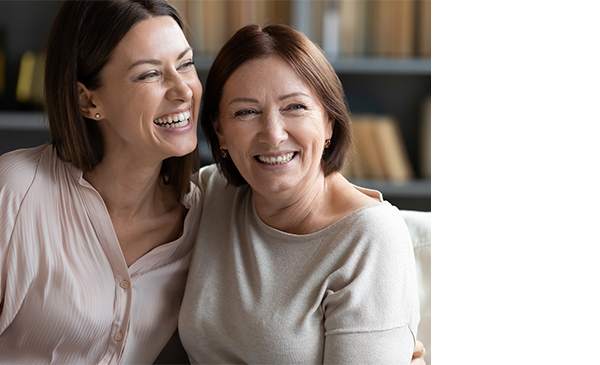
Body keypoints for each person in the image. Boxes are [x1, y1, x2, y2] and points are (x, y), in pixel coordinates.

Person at [179, 24, 421, 364]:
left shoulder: (369, 238)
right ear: (220, 133)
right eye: (246, 112)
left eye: (294, 107)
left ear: (329, 123)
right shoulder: (211, 194)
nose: (273, 135)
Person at [0, 0, 203, 363]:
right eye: (149, 74)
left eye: (185, 64)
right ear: (87, 99)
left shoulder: (203, 217)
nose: (183, 90)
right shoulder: (15, 193)